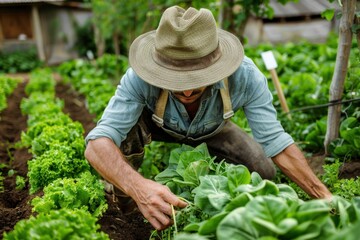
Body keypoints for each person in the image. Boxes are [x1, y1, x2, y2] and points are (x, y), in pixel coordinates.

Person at [85, 6, 332, 231]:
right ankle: (128, 213)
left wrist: (324, 197)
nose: (188, 92)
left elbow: (276, 141)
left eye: (197, 79)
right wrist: (140, 189)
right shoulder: (139, 78)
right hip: (156, 126)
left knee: (262, 170)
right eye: (175, 81)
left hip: (214, 130)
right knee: (121, 138)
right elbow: (96, 145)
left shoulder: (245, 76)